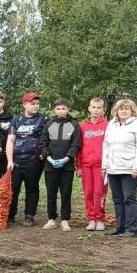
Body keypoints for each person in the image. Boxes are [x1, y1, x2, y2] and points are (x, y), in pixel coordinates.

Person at [102, 98, 137, 238]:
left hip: (129, 168)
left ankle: (132, 229)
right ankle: (120, 227)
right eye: (121, 108)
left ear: (132, 111)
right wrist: (105, 164)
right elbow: (106, 145)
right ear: (116, 111)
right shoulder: (112, 124)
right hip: (113, 167)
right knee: (117, 199)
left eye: (126, 109)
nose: (123, 111)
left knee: (129, 198)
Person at [7, 91, 48, 226]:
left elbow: (47, 139)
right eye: (32, 104)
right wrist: (9, 160)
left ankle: (29, 215)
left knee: (32, 187)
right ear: (25, 104)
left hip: (34, 160)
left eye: (37, 104)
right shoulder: (16, 120)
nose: (36, 106)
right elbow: (10, 140)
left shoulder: (43, 119)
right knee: (13, 188)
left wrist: (44, 153)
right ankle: (10, 214)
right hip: (17, 160)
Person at [40, 98, 81, 232]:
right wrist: (49, 158)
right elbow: (43, 143)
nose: (61, 111)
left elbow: (76, 144)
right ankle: (51, 219)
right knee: (51, 193)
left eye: (63, 108)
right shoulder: (48, 125)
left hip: (67, 166)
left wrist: (67, 158)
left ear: (68, 109)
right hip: (50, 166)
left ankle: (65, 220)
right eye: (58, 108)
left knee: (65, 193)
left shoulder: (74, 125)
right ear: (54, 110)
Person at [76, 97, 109, 231]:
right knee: (88, 192)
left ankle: (100, 218)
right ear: (89, 108)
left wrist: (107, 164)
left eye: (99, 108)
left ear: (103, 110)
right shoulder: (82, 126)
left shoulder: (108, 125)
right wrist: (78, 165)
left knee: (99, 192)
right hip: (85, 165)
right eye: (93, 107)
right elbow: (79, 146)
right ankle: (91, 219)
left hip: (101, 165)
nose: (96, 110)